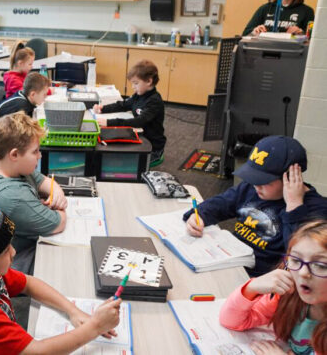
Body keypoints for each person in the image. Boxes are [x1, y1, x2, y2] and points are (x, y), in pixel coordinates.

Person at [0, 191, 122, 355]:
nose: (14, 252)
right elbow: (36, 352)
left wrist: (73, 311)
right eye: (6, 250)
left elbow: (29, 283)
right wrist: (95, 327)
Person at [184, 135, 327, 277]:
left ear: (289, 178)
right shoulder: (253, 188)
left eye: (264, 181)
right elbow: (222, 202)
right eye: (253, 178)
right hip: (230, 260)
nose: (256, 185)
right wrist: (200, 215)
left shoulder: (317, 210)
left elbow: (299, 256)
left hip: (263, 278)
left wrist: (294, 208)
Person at [0, 112, 66, 274]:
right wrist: (59, 207)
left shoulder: (1, 166)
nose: (40, 155)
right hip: (9, 262)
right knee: (66, 261)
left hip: (0, 250)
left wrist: (56, 191)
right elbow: (58, 223)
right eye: (35, 151)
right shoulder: (13, 197)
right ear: (15, 154)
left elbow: (42, 180)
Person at [219, 220, 327, 355]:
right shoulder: (288, 295)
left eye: (321, 266)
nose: (303, 273)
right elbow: (231, 321)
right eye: (296, 260)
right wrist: (251, 288)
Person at [94, 59, 166, 166]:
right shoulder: (139, 94)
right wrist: (103, 108)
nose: (133, 87)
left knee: (125, 163)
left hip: (151, 146)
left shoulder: (154, 101)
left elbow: (138, 122)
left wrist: (109, 122)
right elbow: (123, 105)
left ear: (149, 81)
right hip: (140, 135)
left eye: (136, 83)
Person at [0, 72, 49, 153]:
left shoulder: (25, 96)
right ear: (33, 94)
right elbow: (19, 132)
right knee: (12, 152)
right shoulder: (22, 106)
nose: (45, 97)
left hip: (3, 130)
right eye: (44, 94)